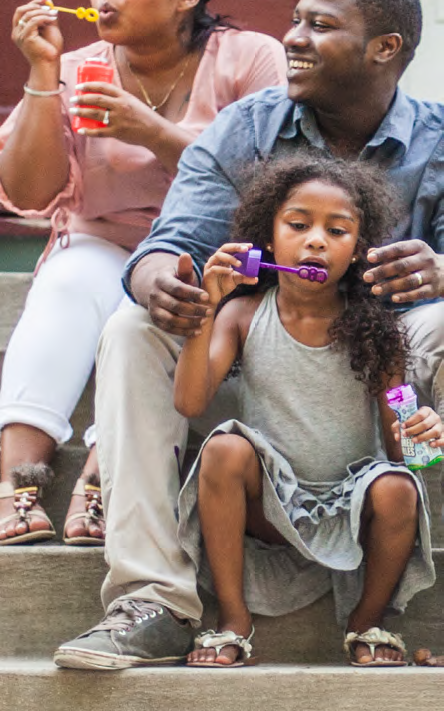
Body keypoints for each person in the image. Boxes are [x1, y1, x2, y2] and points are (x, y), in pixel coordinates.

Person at [54, 0, 444, 670]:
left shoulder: (438, 140)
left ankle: (377, 607)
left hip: (385, 364)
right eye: (295, 18)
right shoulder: (248, 127)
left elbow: (410, 431)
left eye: (319, 25)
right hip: (255, 378)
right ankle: (154, 600)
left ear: (385, 48)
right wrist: (156, 282)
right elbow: (169, 245)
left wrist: (442, 274)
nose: (292, 36)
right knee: (131, 327)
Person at [0, 0, 286, 548]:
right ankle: (15, 484)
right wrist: (43, 76)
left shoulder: (248, 59)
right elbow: (28, 191)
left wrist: (149, 131)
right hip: (101, 240)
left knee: (157, 300)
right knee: (69, 286)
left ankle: (103, 480)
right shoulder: (79, 67)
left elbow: (269, 186)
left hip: (204, 251)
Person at [174, 155, 441, 667]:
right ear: (269, 240)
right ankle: (233, 620)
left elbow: (403, 451)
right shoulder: (241, 315)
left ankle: (369, 620)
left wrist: (428, 433)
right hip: (270, 507)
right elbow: (189, 403)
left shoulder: (379, 332)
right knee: (224, 449)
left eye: (336, 231)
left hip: (349, 510)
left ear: (358, 252)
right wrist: (204, 311)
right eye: (299, 225)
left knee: (398, 487)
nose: (316, 240)